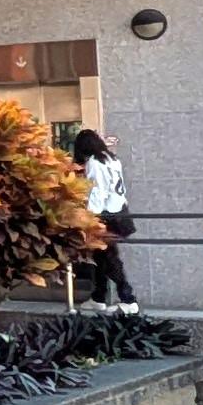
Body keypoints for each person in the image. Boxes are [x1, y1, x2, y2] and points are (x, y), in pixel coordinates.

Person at [70, 128, 137, 305]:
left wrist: (90, 218)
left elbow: (97, 192)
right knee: (102, 256)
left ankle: (127, 298)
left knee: (108, 257)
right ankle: (99, 296)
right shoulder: (112, 159)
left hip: (106, 215)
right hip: (120, 213)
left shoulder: (94, 162)